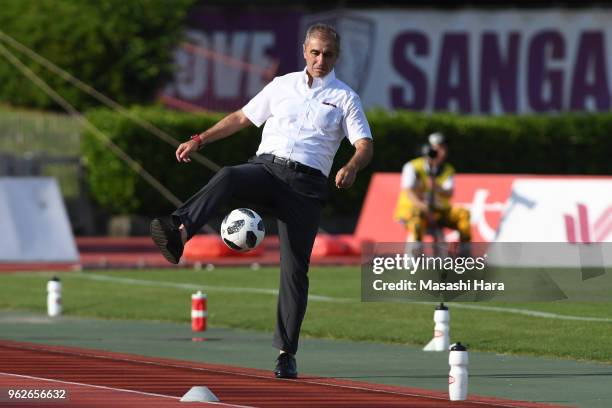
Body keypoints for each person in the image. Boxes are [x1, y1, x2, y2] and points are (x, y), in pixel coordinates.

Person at [150, 23, 373, 379]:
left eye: (328, 54)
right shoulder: (282, 85)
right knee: (229, 176)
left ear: (337, 56)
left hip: (306, 188)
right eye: (315, 52)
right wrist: (199, 139)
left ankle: (286, 353)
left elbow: (364, 145)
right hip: (267, 170)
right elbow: (242, 117)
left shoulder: (345, 97)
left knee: (295, 272)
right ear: (304, 50)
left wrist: (351, 166)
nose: (320, 60)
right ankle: (179, 230)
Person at [393, 133, 470, 251]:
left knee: (463, 214)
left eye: (444, 148)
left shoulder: (447, 169)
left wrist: (437, 186)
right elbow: (409, 192)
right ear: (428, 149)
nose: (443, 151)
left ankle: (465, 257)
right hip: (413, 210)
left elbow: (449, 193)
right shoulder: (413, 166)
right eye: (439, 147)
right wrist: (425, 209)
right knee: (416, 222)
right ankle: (415, 260)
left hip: (437, 210)